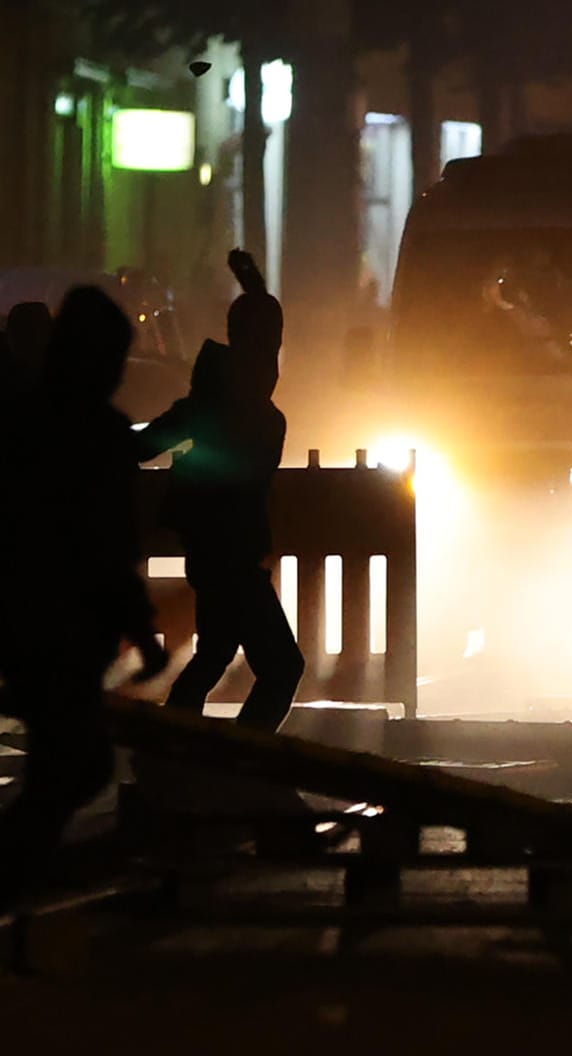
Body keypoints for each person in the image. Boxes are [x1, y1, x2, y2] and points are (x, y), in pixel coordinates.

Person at [0, 287, 166, 906]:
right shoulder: (98, 435)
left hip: (26, 623)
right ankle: (16, 871)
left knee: (65, 760)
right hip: (64, 630)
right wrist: (142, 631)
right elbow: (103, 548)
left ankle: (23, 871)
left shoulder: (23, 421)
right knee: (77, 761)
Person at [134, 256, 302, 731]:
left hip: (215, 554)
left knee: (213, 655)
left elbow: (141, 446)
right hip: (232, 557)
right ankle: (236, 752)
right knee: (281, 666)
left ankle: (177, 741)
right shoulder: (259, 416)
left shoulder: (214, 406)